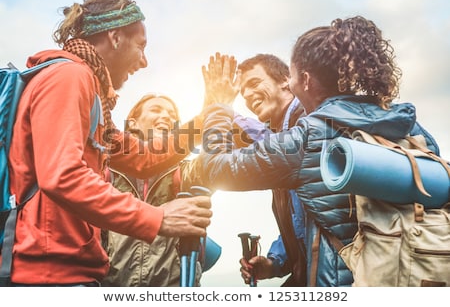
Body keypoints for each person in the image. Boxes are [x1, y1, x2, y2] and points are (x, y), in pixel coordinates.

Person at [197, 16, 441, 287]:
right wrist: (278, 262)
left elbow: (215, 168)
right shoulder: (403, 122)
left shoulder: (309, 135)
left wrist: (216, 107)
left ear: (304, 79)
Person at [5, 0, 212, 286]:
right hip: (47, 277)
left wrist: (205, 119)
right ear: (115, 38)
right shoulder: (69, 77)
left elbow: (143, 157)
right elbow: (62, 176)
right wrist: (158, 218)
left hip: (69, 272)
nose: (144, 62)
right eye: (141, 46)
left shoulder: (93, 97)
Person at [101, 93, 204, 287]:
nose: (166, 116)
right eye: (156, 110)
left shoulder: (188, 170)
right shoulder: (106, 172)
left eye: (172, 115)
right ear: (132, 124)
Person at [232, 54, 307, 286]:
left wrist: (220, 109)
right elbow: (302, 221)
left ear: (286, 80)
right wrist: (274, 263)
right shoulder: (277, 135)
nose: (246, 95)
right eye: (242, 91)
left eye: (254, 83)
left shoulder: (308, 121)